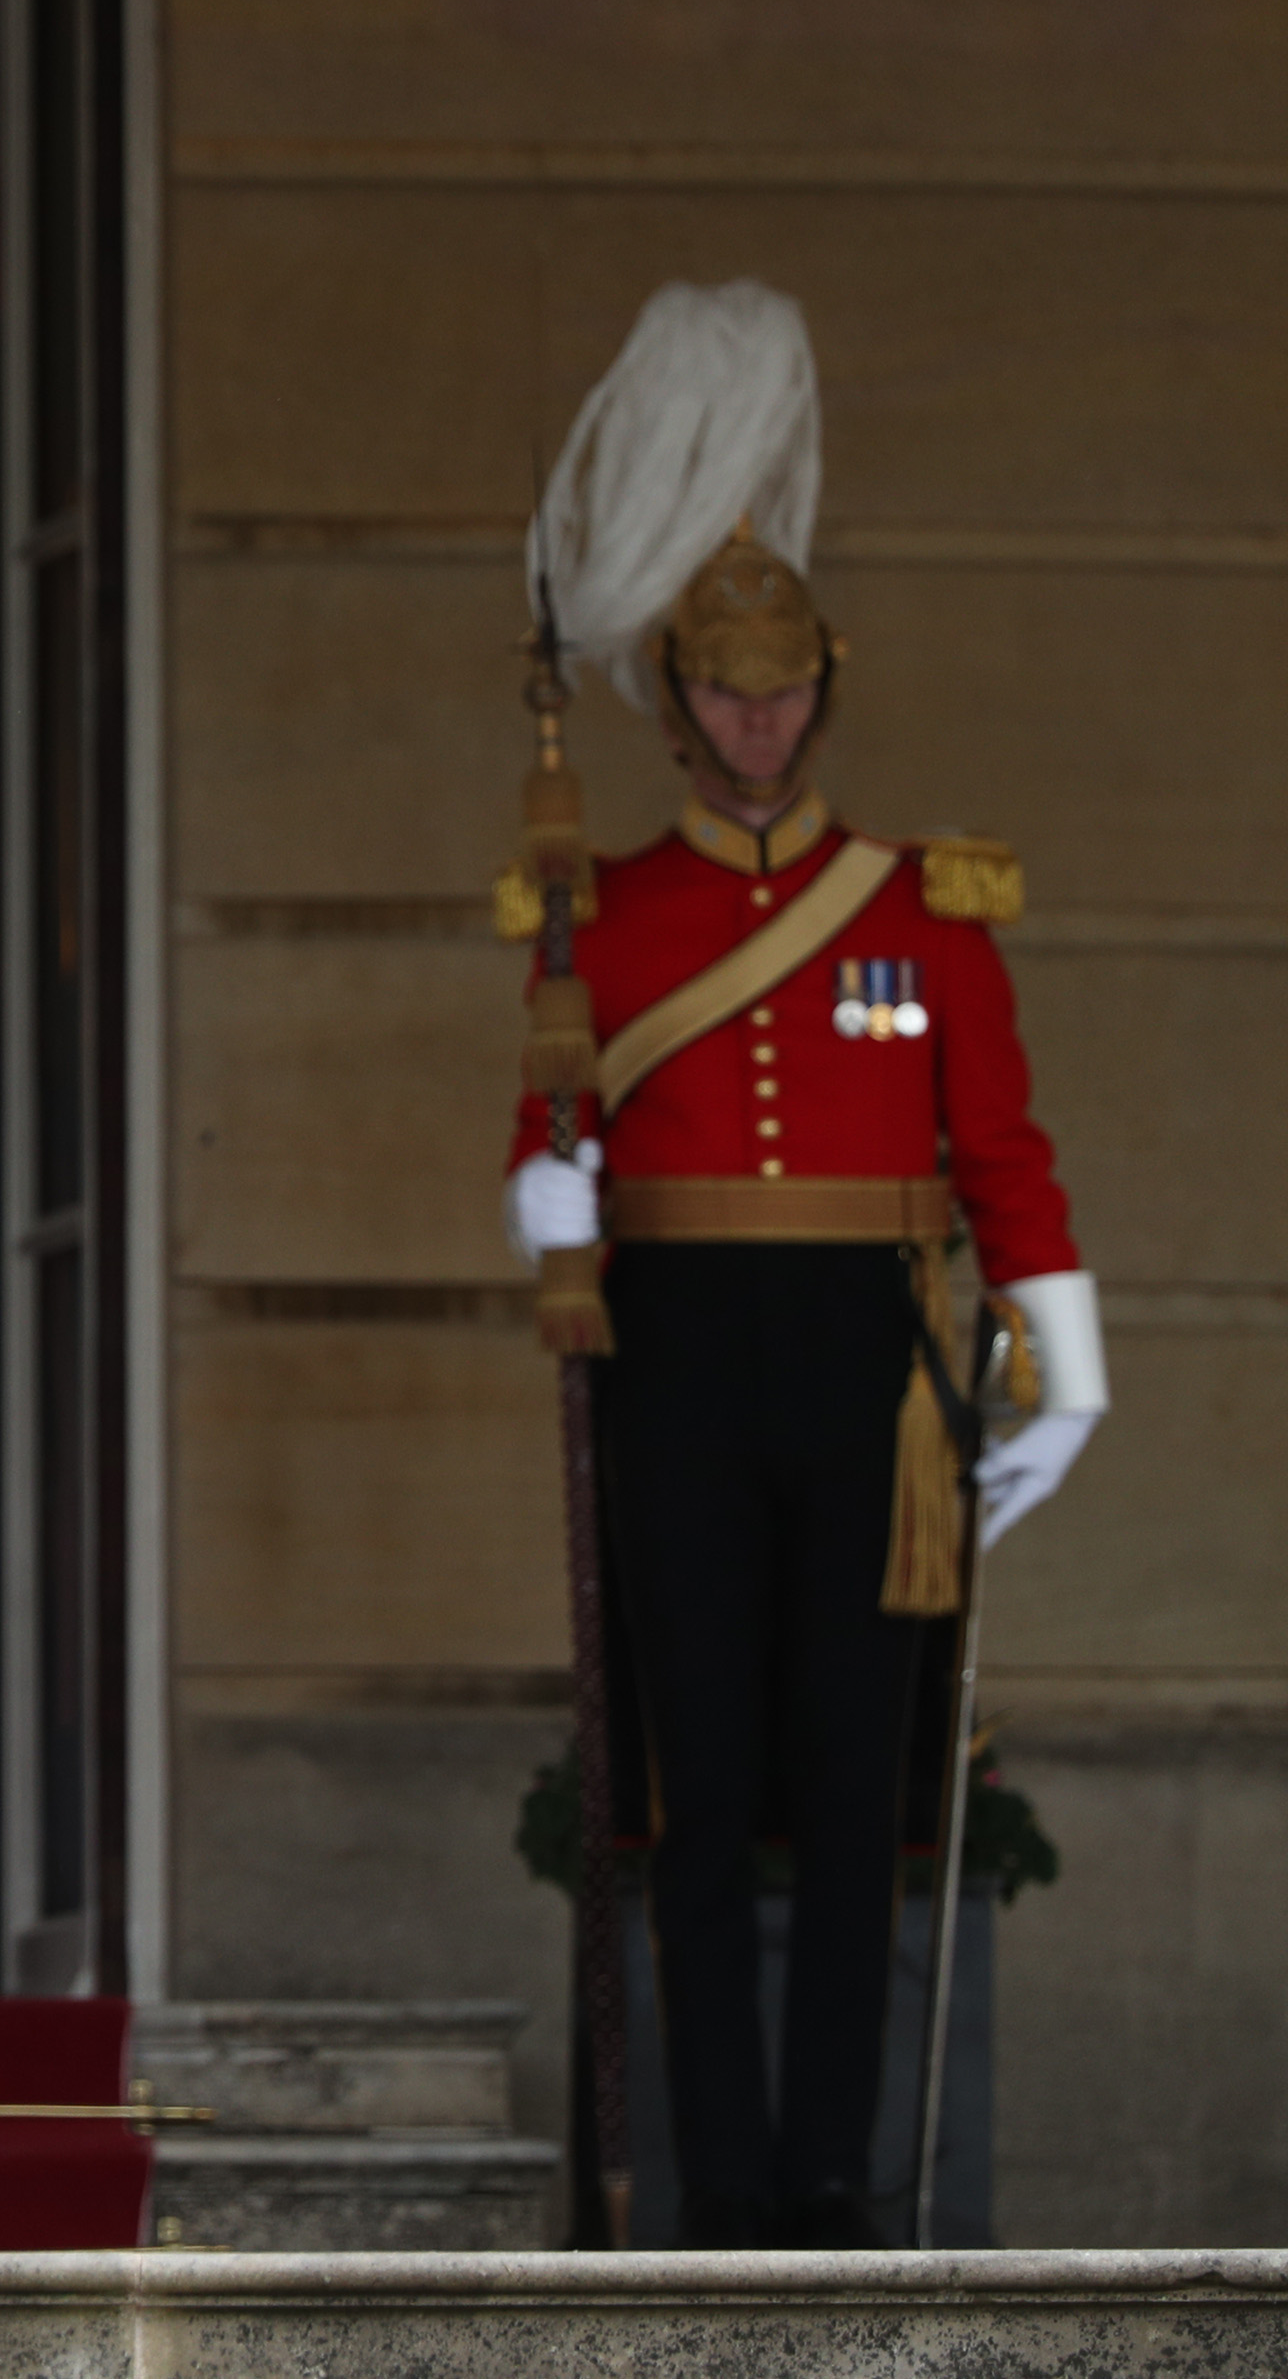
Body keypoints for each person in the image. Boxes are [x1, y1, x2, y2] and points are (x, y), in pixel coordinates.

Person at [504, 286, 1105, 2248]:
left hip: (867, 1361)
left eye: (786, 696)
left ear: (819, 693)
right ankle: (723, 2181)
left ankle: (840, 2171)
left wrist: (1065, 1363)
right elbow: (551, 1121)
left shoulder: (927, 908)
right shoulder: (605, 903)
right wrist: (554, 1214)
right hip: (674, 1348)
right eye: (727, 696)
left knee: (856, 1788)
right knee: (698, 1786)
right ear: (675, 701)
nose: (758, 726)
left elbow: (1000, 1149)